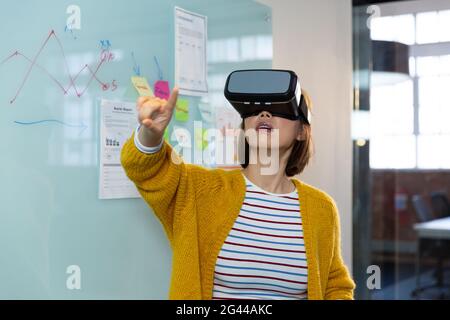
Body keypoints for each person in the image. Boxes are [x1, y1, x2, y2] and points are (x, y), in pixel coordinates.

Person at [120, 86, 355, 300]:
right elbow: (147, 170)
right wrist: (150, 136)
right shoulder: (200, 190)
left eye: (280, 107)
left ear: (302, 131)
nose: (265, 113)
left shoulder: (321, 208)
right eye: (256, 109)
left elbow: (335, 285)